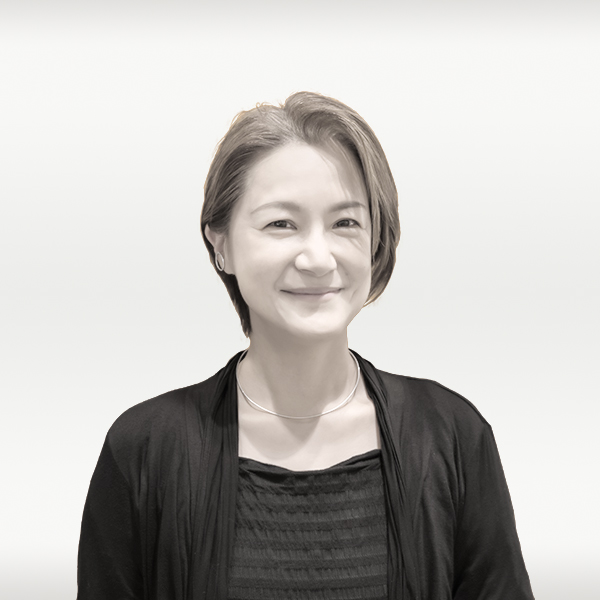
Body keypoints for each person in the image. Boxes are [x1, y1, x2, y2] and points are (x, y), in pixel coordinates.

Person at [77, 92, 535, 600]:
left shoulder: (452, 437)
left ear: (375, 241)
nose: (318, 258)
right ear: (221, 244)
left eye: (345, 223)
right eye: (281, 224)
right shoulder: (143, 450)